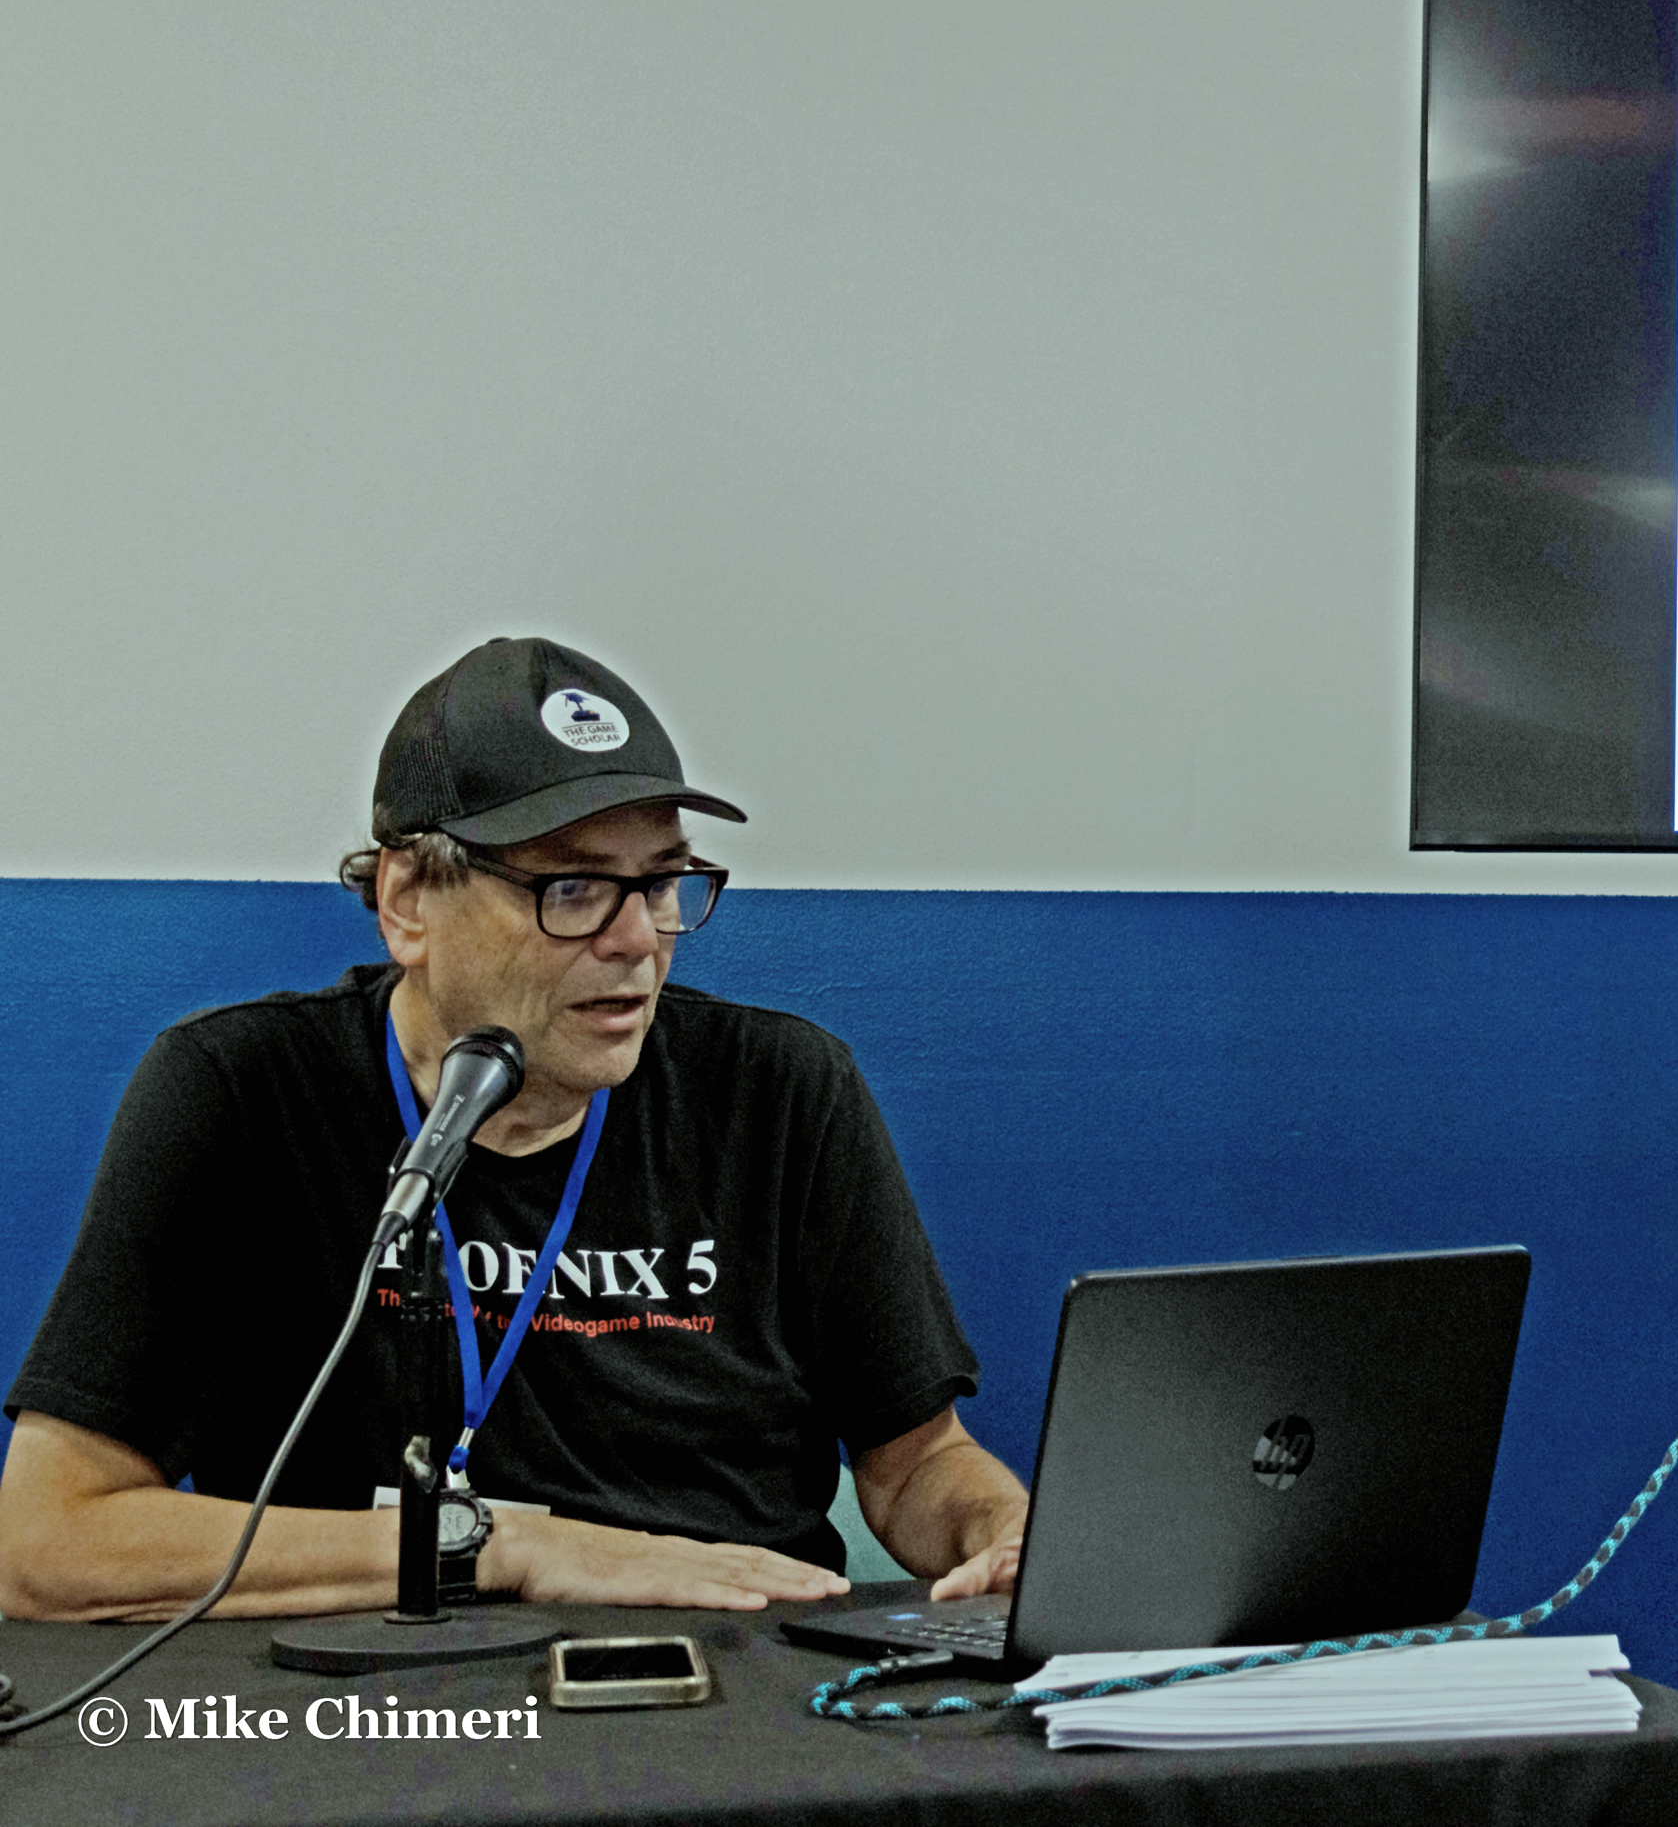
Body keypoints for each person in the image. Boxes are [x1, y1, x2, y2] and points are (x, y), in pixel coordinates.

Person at [0, 637, 1027, 1622]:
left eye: (660, 883)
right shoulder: (245, 1094)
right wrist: (503, 1548)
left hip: (742, 1668)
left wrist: (1007, 1532)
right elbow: (49, 1544)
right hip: (386, 1691)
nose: (637, 940)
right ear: (409, 900)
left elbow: (917, 1465)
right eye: (571, 888)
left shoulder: (785, 1090)